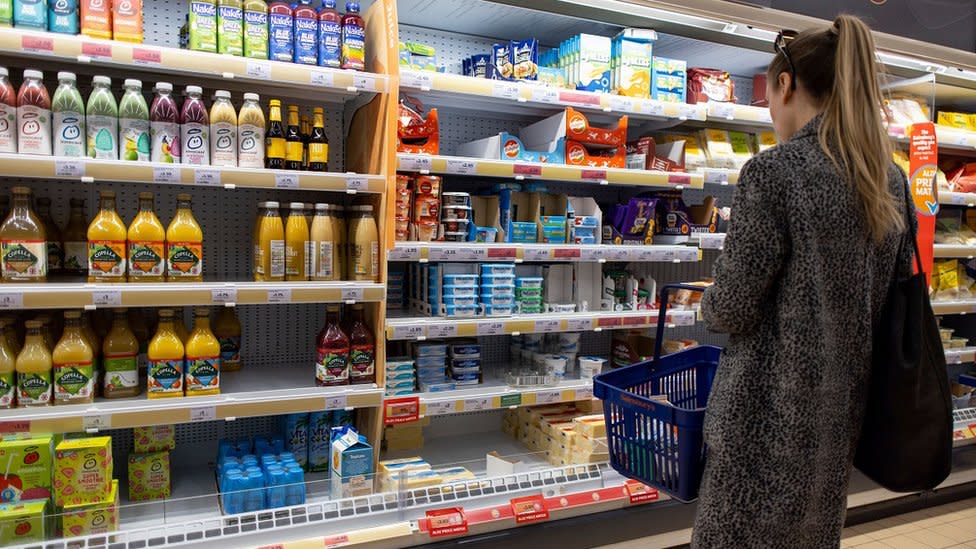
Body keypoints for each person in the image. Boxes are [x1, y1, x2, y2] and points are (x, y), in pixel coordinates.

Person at [691, 14, 916, 549]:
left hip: (761, 416)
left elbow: (732, 309)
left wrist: (708, 301)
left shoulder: (775, 172)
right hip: (836, 417)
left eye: (770, 95)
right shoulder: (887, 178)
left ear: (786, 84)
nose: (771, 111)